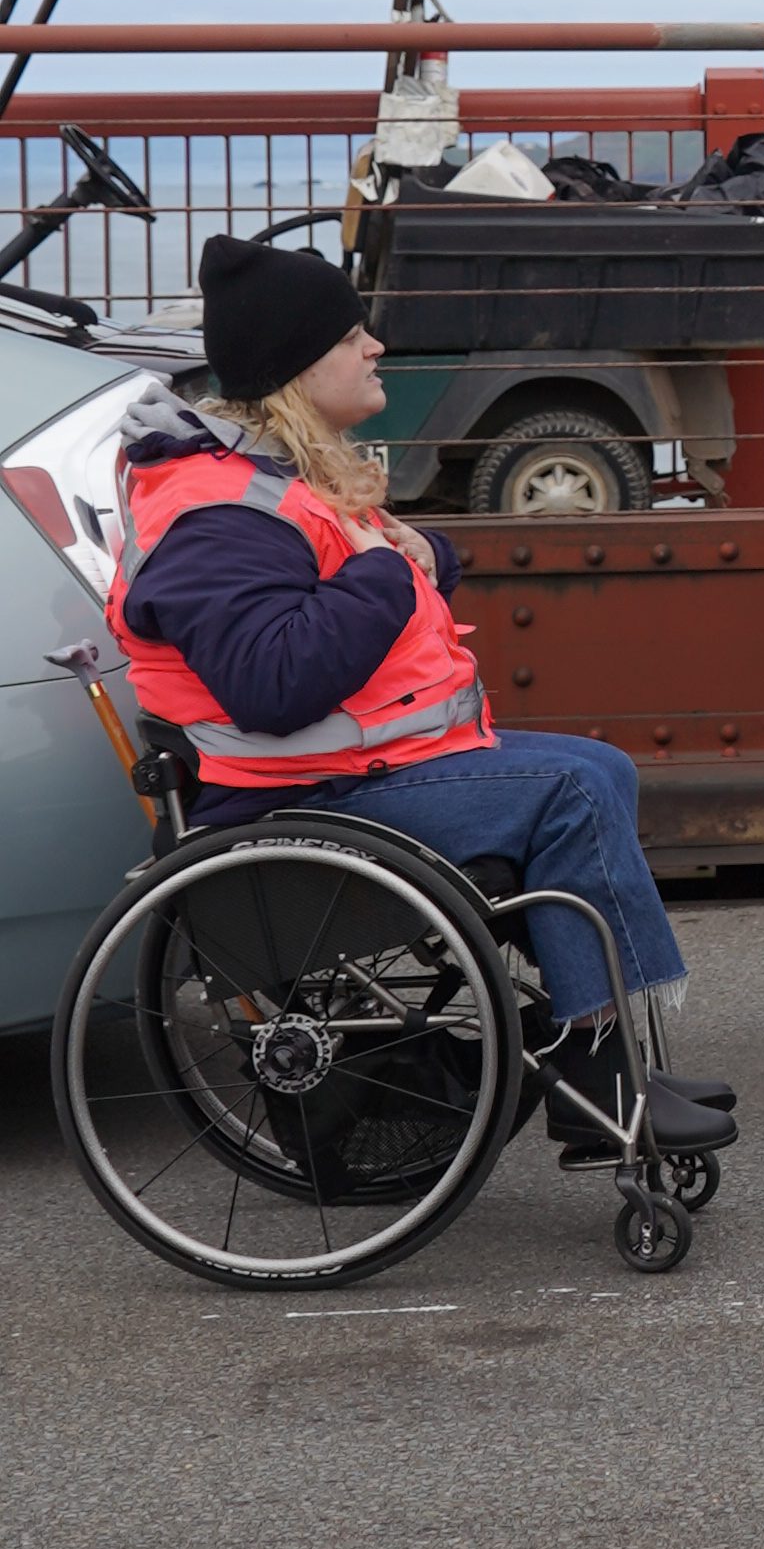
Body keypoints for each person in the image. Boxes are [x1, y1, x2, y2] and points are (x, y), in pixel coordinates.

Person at [106, 233, 732, 1161]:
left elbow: (354, 579)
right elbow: (271, 681)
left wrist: (419, 558)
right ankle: (597, 1084)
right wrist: (395, 575)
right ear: (295, 367)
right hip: (290, 807)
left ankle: (596, 1048)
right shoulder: (216, 515)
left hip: (343, 777)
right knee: (571, 794)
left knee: (597, 766)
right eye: (354, 335)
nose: (376, 349)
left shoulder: (266, 483)